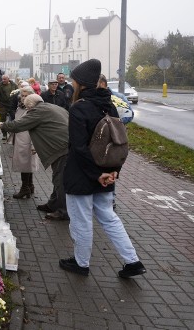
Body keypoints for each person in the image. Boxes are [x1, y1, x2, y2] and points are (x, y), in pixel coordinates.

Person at [59, 59, 146, 278]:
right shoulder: (110, 105)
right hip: (106, 174)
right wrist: (113, 172)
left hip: (83, 175)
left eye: (74, 80)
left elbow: (78, 147)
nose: (72, 84)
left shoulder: (79, 107)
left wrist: (98, 175)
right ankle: (132, 261)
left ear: (80, 83)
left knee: (81, 222)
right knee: (109, 218)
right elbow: (117, 142)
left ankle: (81, 264)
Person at [0, 94, 69, 220]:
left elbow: (18, 125)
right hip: (65, 146)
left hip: (60, 149)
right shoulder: (51, 107)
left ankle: (63, 211)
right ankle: (53, 204)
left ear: (30, 106)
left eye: (27, 108)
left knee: (60, 180)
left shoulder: (37, 112)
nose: (27, 111)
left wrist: (3, 125)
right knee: (58, 177)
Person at [11, 86, 41, 199]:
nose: (23, 98)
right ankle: (29, 185)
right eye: (22, 96)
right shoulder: (21, 107)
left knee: (25, 164)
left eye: (26, 96)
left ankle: (25, 188)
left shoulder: (32, 108)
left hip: (28, 138)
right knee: (26, 164)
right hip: (22, 137)